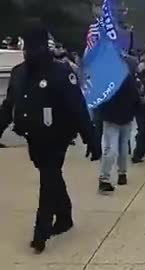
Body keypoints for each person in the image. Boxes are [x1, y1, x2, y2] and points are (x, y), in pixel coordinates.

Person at [0, 25, 100, 253]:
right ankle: (64, 215)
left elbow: (78, 108)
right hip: (32, 135)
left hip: (58, 136)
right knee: (50, 174)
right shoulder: (18, 73)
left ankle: (41, 231)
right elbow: (8, 106)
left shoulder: (62, 72)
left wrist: (90, 138)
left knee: (49, 177)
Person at [97, 74, 140, 193]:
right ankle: (122, 174)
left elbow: (100, 97)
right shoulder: (128, 77)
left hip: (111, 116)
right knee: (123, 147)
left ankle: (105, 178)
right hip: (126, 116)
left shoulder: (107, 77)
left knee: (111, 148)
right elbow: (136, 97)